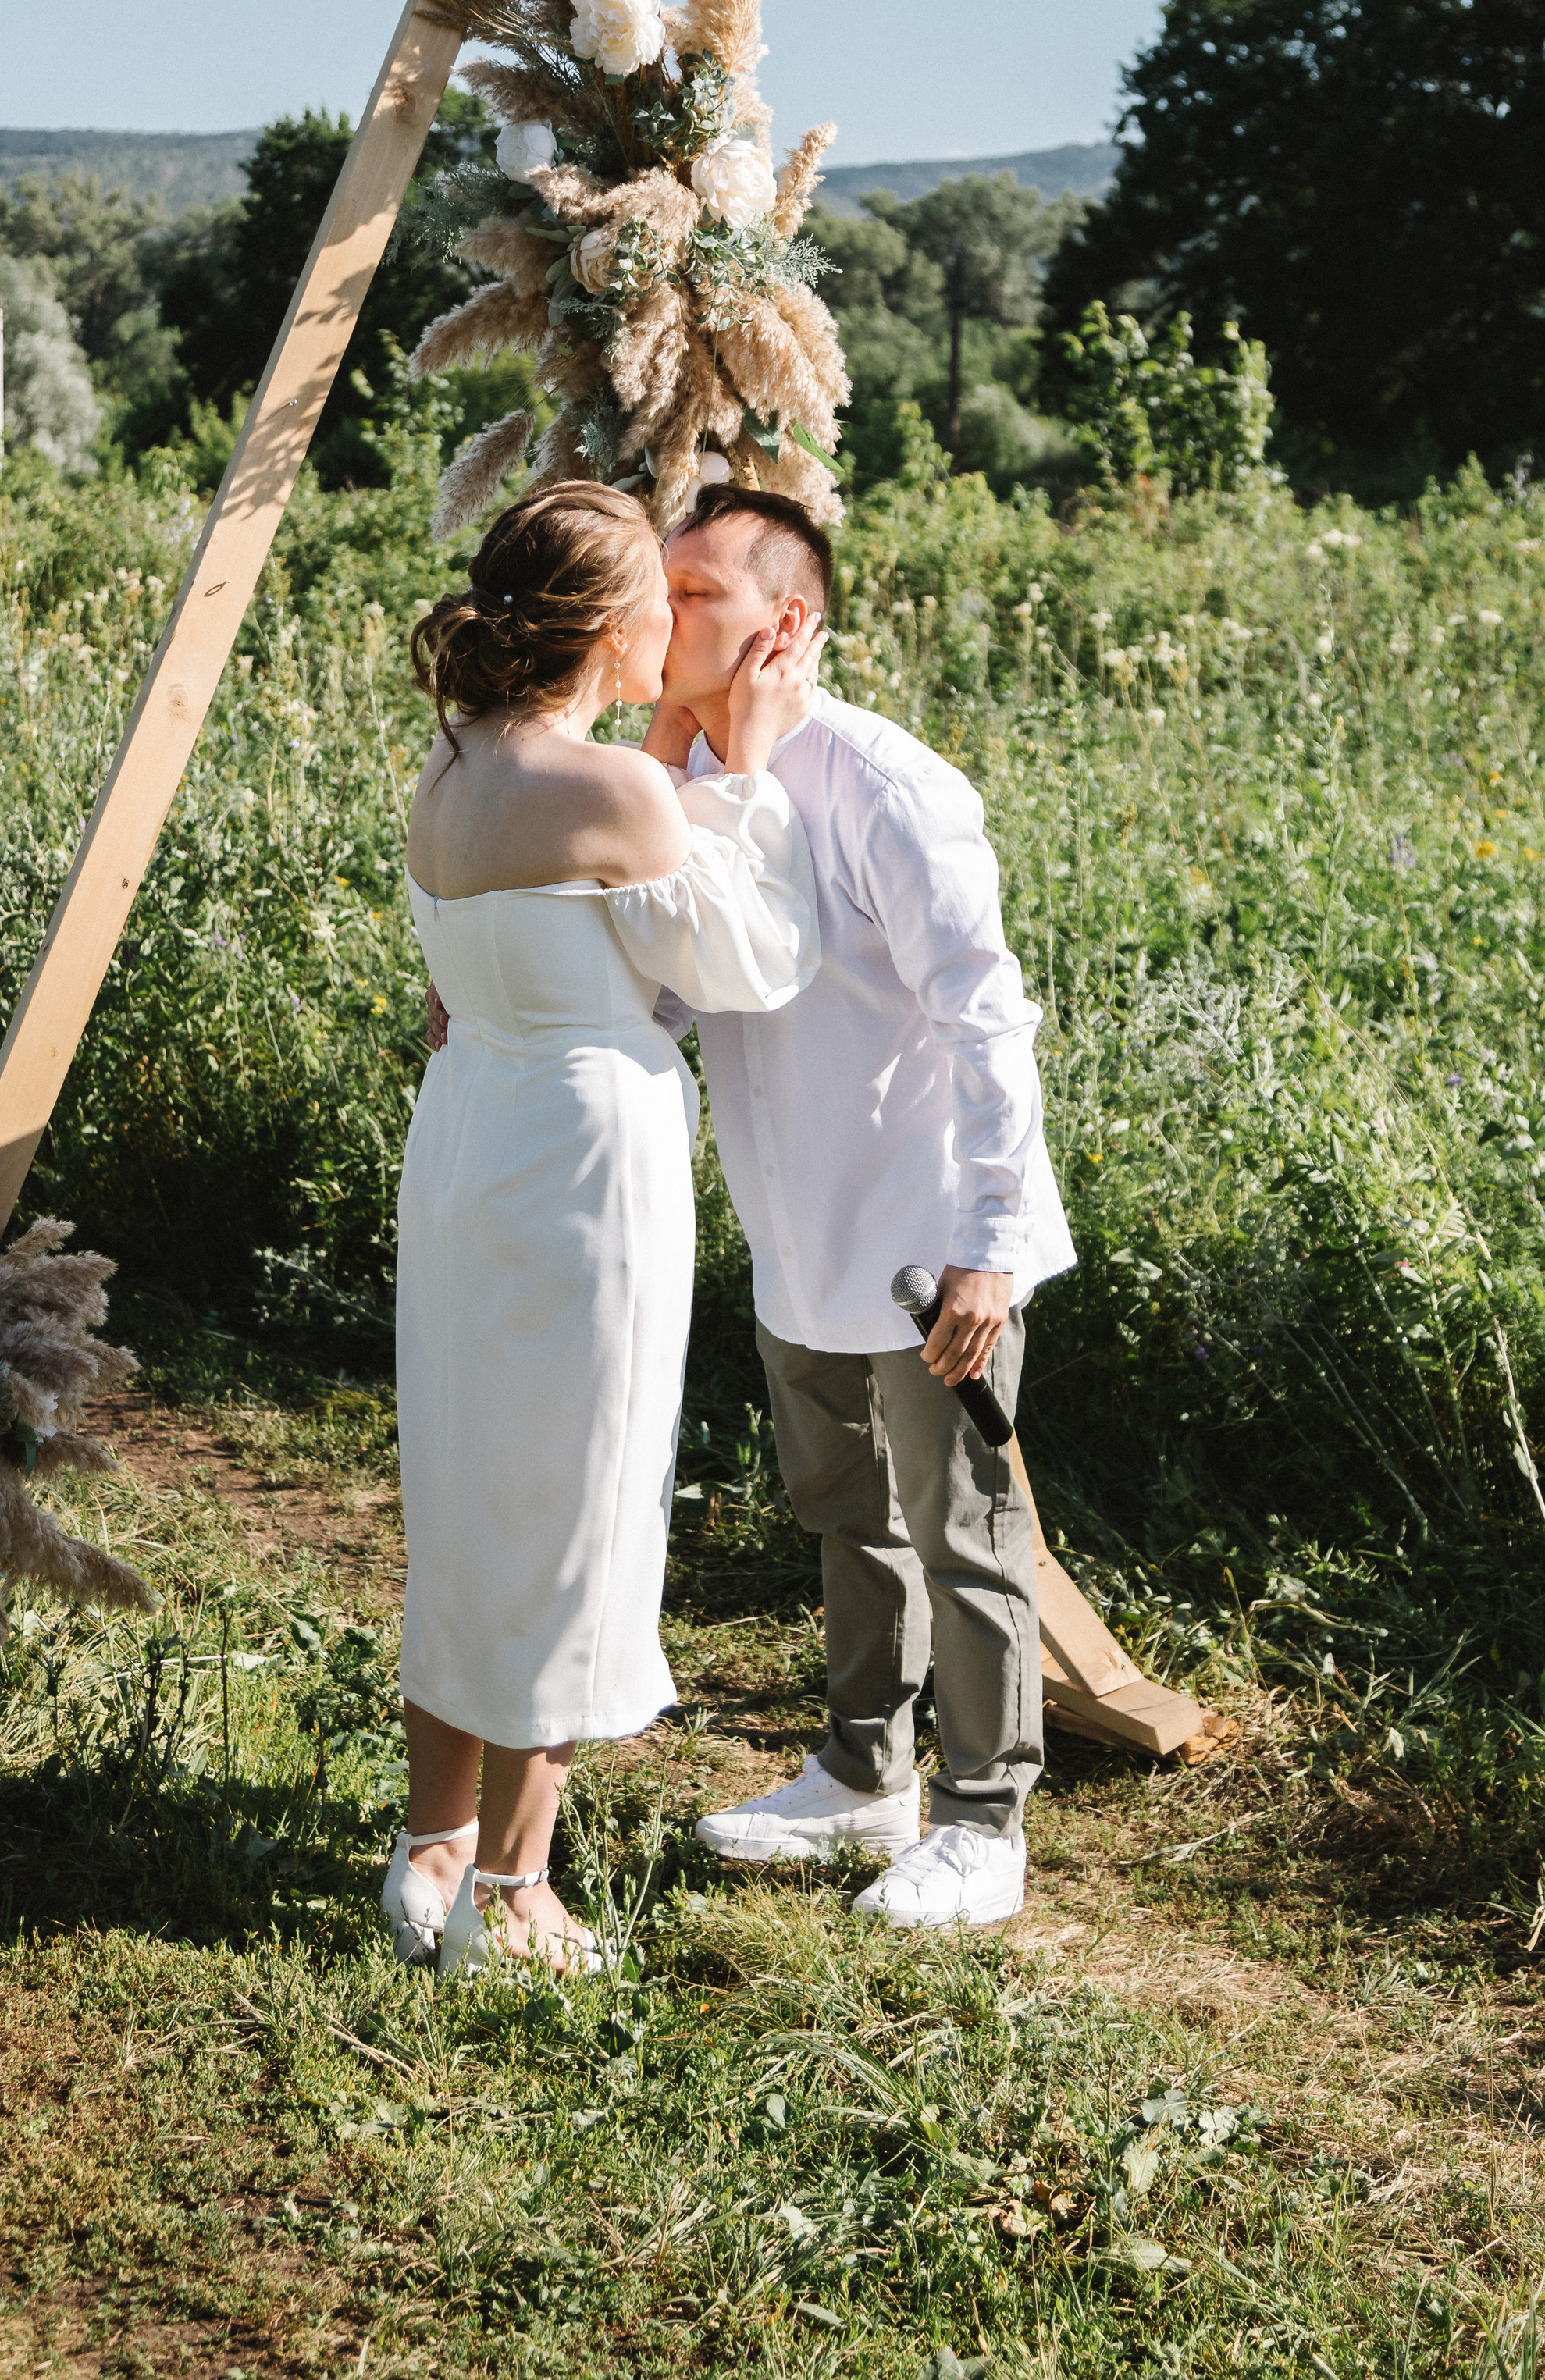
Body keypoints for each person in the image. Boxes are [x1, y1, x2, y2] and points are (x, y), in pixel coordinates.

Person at [390, 481, 822, 1976]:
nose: (679, 622)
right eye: (665, 598)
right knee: (582, 1497)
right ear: (608, 626)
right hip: (583, 1157)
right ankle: (514, 1895)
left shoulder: (448, 770)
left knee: (463, 1486)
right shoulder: (621, 793)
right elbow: (751, 959)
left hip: (463, 1136)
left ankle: (428, 1842)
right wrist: (743, 772)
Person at [642, 485, 1076, 1930]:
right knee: (843, 1515)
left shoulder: (890, 789)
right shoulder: (689, 779)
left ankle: (984, 1821)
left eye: (695, 594)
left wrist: (992, 1250)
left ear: (790, 622)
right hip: (793, 1226)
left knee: (961, 1530)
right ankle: (862, 1774)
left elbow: (987, 1021)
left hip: (920, 1238)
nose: (664, 614)